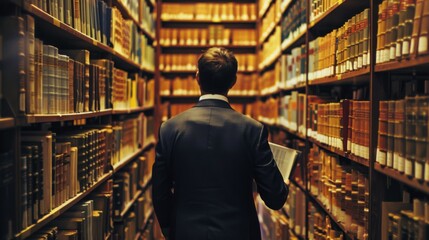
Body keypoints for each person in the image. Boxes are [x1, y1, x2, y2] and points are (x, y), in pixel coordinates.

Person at [152, 47, 288, 240]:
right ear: (234, 81)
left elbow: (160, 191)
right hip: (238, 233)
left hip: (186, 232)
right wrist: (283, 183)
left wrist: (170, 228)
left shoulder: (169, 129)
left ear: (197, 77)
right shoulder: (252, 130)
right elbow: (275, 198)